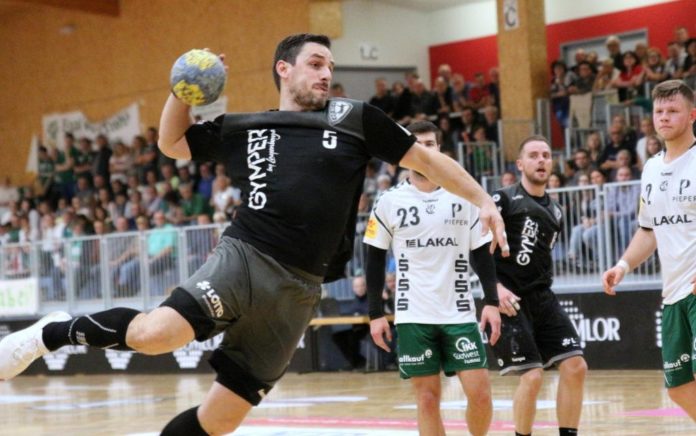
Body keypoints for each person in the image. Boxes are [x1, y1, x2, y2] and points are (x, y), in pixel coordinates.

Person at [0, 34, 508, 435]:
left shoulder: (356, 119)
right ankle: (51, 333)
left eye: (330, 66)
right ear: (283, 69)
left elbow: (427, 160)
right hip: (247, 255)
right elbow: (172, 143)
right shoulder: (248, 127)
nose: (326, 73)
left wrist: (482, 200)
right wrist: (181, 92)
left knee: (220, 419)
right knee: (156, 335)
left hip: (301, 288)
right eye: (315, 63)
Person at [365, 121, 502, 436]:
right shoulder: (389, 201)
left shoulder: (465, 197)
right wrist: (375, 313)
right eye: (417, 145)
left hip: (459, 313)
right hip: (413, 315)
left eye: (430, 145)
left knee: (481, 395)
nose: (424, 151)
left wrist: (491, 301)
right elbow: (374, 258)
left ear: (439, 150)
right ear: (404, 153)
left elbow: (481, 254)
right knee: (427, 400)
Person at [603, 79, 696, 421]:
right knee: (679, 386)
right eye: (659, 111)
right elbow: (648, 230)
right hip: (673, 294)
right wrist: (623, 265)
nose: (664, 117)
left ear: (692, 115)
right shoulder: (652, 169)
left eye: (673, 110)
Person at [491, 135, 588, 436]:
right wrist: (494, 289)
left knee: (576, 366)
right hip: (508, 299)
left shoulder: (556, 211)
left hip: (543, 297)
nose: (541, 160)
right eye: (533, 155)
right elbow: (477, 250)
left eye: (546, 155)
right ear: (520, 164)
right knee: (532, 377)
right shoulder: (503, 199)